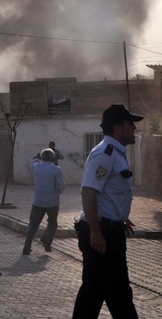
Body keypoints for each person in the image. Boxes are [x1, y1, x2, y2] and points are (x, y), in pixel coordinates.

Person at [72, 104, 142, 319]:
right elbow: (89, 192)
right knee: (119, 294)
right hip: (103, 235)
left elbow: (108, 193)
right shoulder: (105, 153)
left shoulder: (116, 152)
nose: (134, 128)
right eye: (130, 123)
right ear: (118, 128)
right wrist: (95, 231)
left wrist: (122, 216)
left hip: (108, 229)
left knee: (92, 294)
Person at [23, 148, 65, 255]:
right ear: (53, 158)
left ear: (41, 157)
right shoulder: (57, 169)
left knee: (33, 224)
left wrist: (37, 156)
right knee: (52, 222)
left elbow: (33, 160)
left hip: (38, 200)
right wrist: (57, 191)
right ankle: (47, 240)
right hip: (52, 201)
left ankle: (27, 246)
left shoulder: (36, 166)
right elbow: (62, 186)